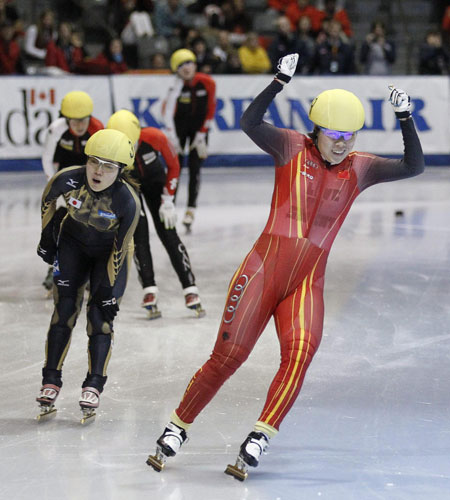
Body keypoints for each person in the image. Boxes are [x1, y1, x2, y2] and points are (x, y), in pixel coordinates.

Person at [147, 53, 424, 479]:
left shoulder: (362, 168)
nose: (343, 143)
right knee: (228, 357)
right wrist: (278, 81)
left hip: (306, 284)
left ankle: (261, 433)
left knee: (299, 356)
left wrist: (405, 117)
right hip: (262, 271)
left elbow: (413, 166)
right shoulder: (290, 145)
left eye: (350, 135)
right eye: (334, 133)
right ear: (316, 129)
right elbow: (250, 122)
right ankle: (177, 426)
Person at [35, 128, 140, 422]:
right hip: (72, 245)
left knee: (99, 318)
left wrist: (107, 291)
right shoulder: (67, 177)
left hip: (109, 254)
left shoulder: (127, 201)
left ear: (120, 171)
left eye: (108, 166)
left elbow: (121, 249)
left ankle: (94, 384)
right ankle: (50, 380)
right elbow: (47, 202)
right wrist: (47, 238)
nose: (98, 171)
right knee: (64, 310)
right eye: (94, 162)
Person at [106, 109, 205, 318]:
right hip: (130, 187)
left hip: (157, 185)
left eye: (132, 144)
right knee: (138, 236)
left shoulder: (155, 137)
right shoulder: (110, 147)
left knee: (168, 233)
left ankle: (190, 287)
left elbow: (174, 165)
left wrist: (168, 199)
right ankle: (149, 289)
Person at [40, 90, 104, 292]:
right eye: (73, 121)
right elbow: (47, 160)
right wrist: (56, 186)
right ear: (66, 119)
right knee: (59, 221)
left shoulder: (97, 129)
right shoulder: (56, 129)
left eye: (83, 121)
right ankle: (54, 266)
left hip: (90, 177)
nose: (79, 126)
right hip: (64, 177)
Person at [163, 48, 216, 232]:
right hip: (179, 131)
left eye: (189, 63)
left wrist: (202, 134)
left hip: (199, 131)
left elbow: (211, 109)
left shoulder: (207, 82)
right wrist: (172, 137)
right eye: (181, 65)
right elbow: (167, 113)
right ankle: (170, 204)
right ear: (176, 70)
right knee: (175, 167)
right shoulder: (175, 86)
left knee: (195, 168)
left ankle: (191, 209)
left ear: (195, 64)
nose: (186, 68)